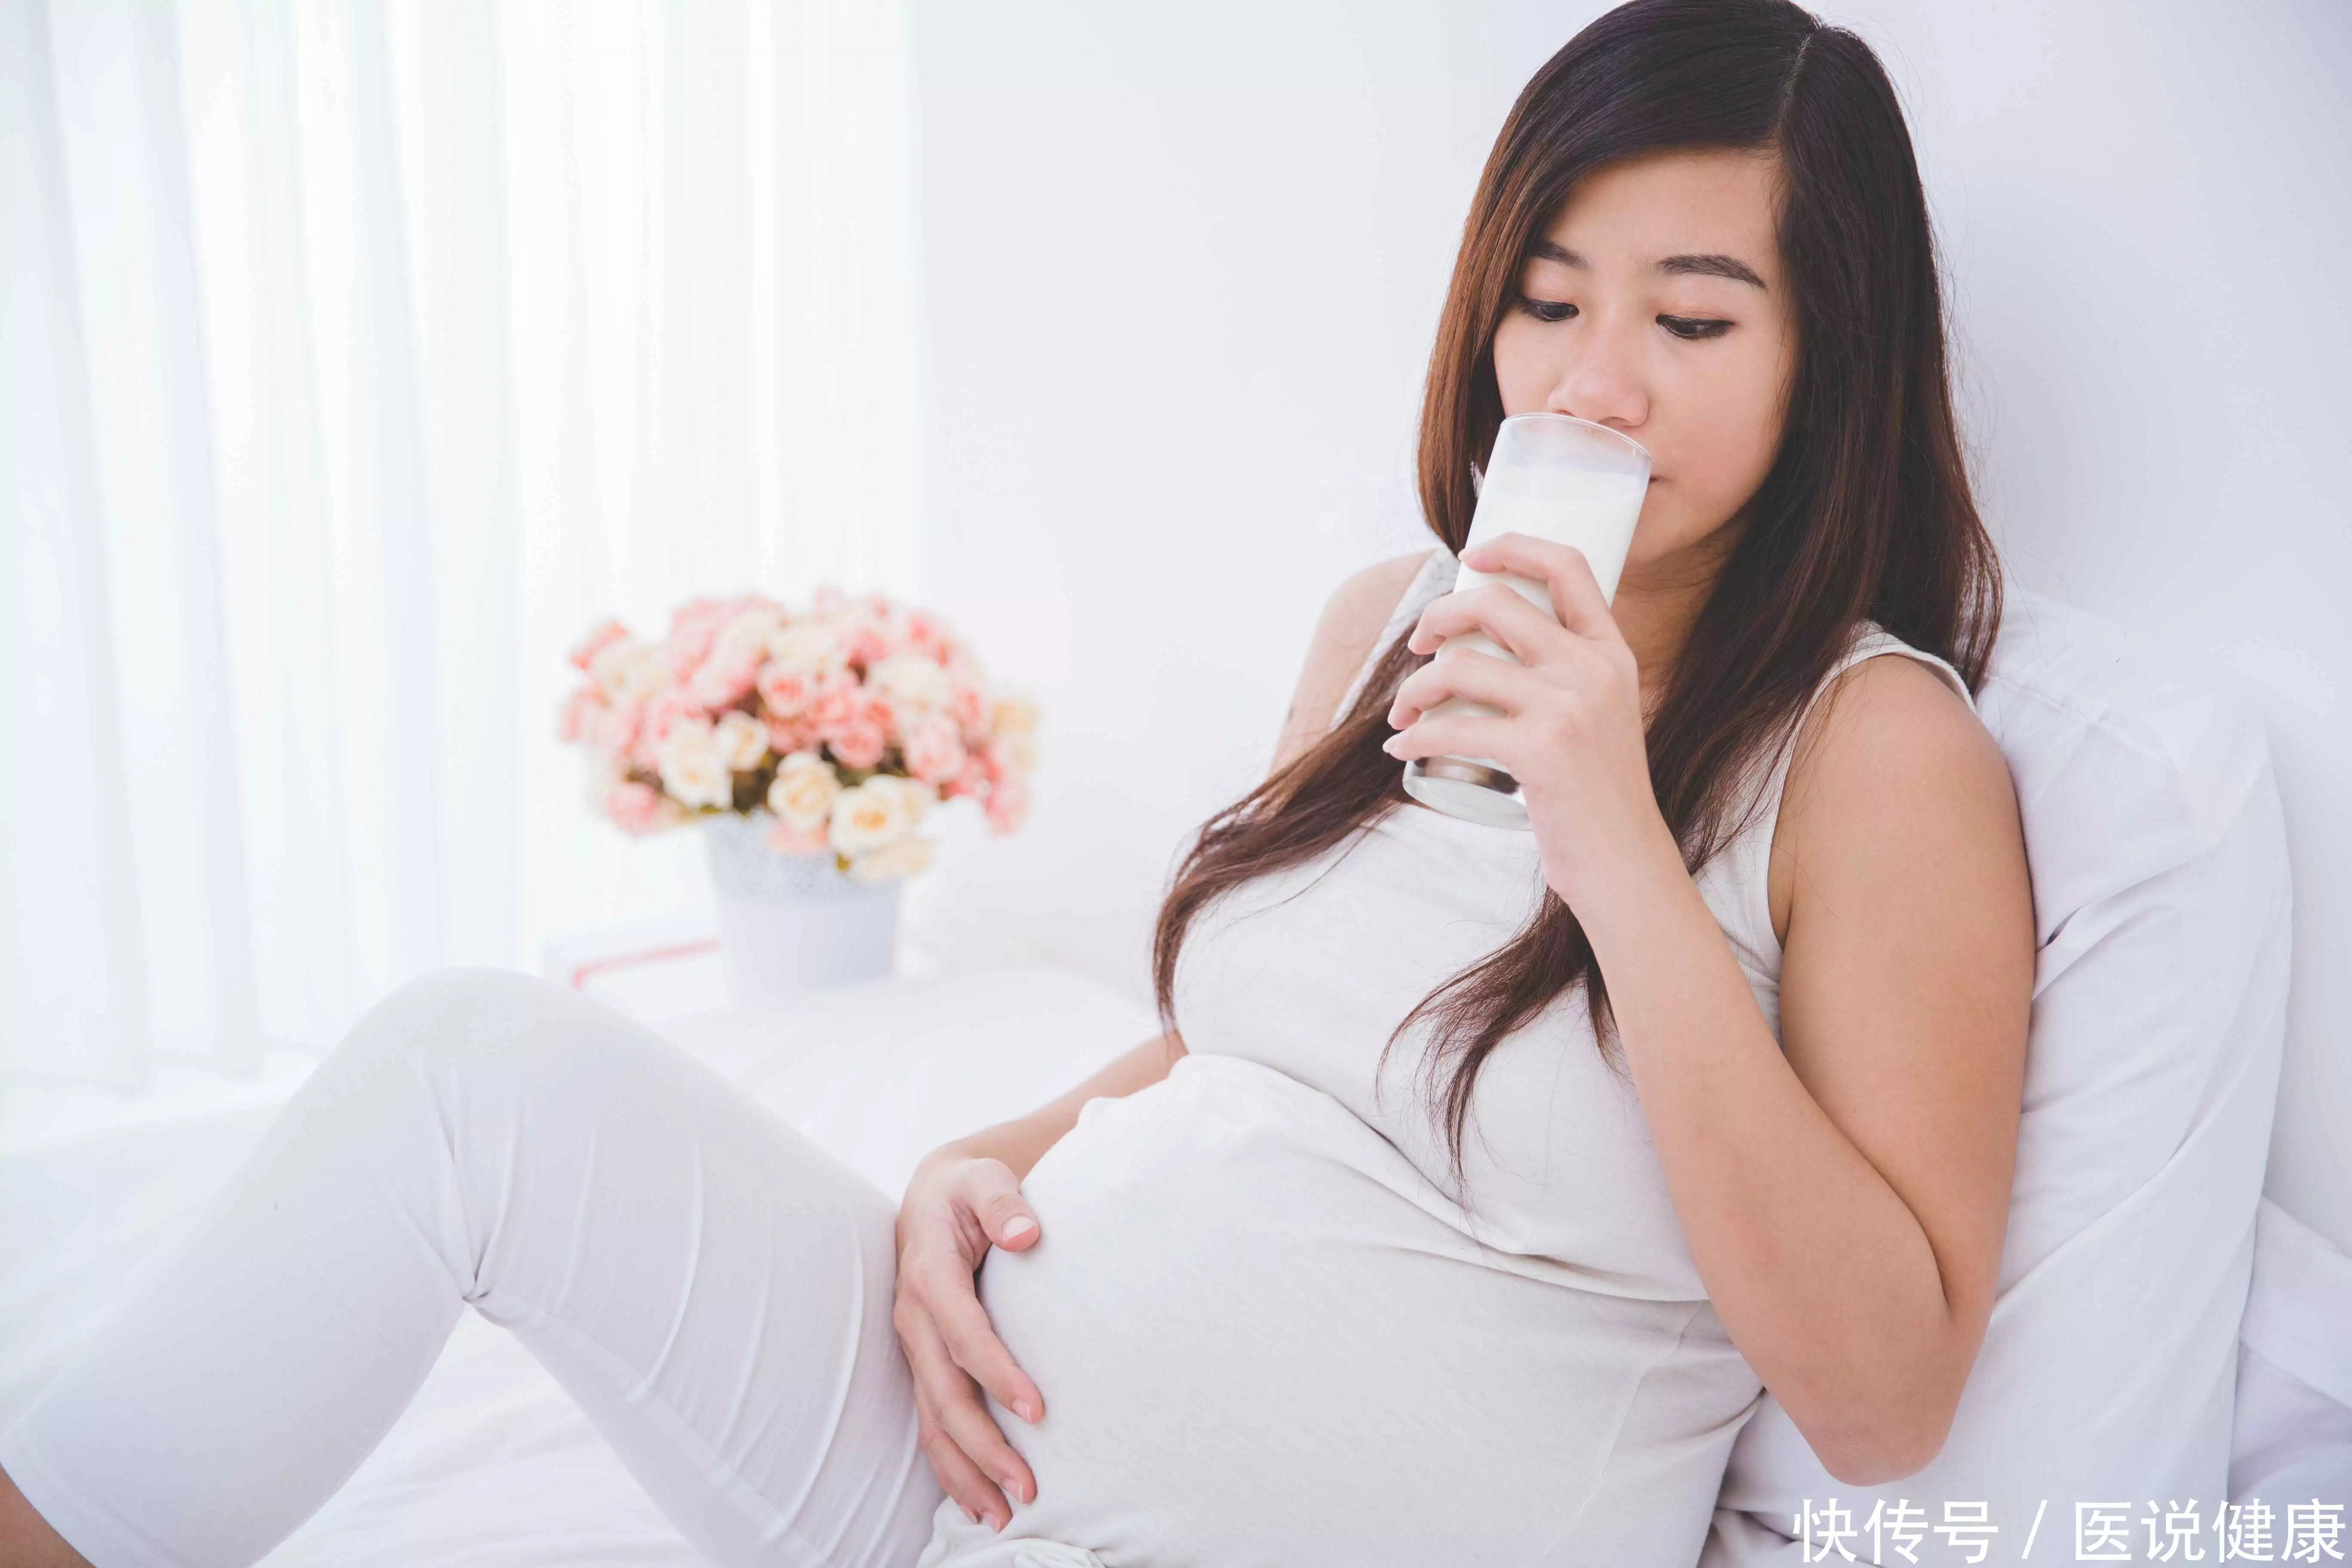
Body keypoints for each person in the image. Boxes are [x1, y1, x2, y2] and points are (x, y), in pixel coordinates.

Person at [0, 0, 2036, 1563]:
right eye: (1548, 300)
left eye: (1694, 317)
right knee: (465, 1073)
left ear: (1830, 358)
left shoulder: (1878, 753)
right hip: (951, 1448)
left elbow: (1882, 1399)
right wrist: (997, 1154)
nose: (1596, 382)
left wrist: (1616, 846)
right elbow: (1247, 1048)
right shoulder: (1385, 625)